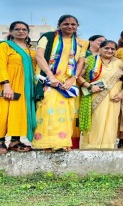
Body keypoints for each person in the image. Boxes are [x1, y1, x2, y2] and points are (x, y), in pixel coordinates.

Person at [33, 15, 86, 152]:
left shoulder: (80, 43)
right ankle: (46, 143)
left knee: (64, 113)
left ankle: (62, 142)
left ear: (77, 26)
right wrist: (51, 76)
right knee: (46, 110)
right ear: (59, 25)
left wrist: (72, 79)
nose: (70, 26)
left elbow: (80, 62)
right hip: (47, 80)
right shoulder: (48, 37)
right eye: (66, 24)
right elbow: (39, 55)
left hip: (66, 84)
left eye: (73, 24)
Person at [0, 21, 36, 154]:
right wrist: (6, 85)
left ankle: (15, 141)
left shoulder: (30, 50)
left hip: (24, 87)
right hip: (6, 85)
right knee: (2, 112)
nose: (21, 31)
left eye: (24, 29)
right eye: (17, 29)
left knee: (18, 113)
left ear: (28, 32)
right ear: (11, 32)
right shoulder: (4, 46)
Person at [78, 40, 123, 149]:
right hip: (94, 95)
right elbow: (78, 76)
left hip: (114, 97)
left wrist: (122, 92)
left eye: (112, 49)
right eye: (106, 48)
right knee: (96, 121)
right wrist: (89, 86)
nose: (109, 50)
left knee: (111, 122)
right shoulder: (90, 60)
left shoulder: (119, 63)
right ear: (100, 49)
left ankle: (108, 147)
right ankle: (90, 148)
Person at [72, 34, 105, 149]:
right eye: (100, 41)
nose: (102, 43)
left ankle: (89, 141)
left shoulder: (104, 56)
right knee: (75, 115)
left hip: (94, 91)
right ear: (90, 42)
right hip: (77, 87)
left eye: (104, 42)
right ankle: (74, 143)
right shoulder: (84, 54)